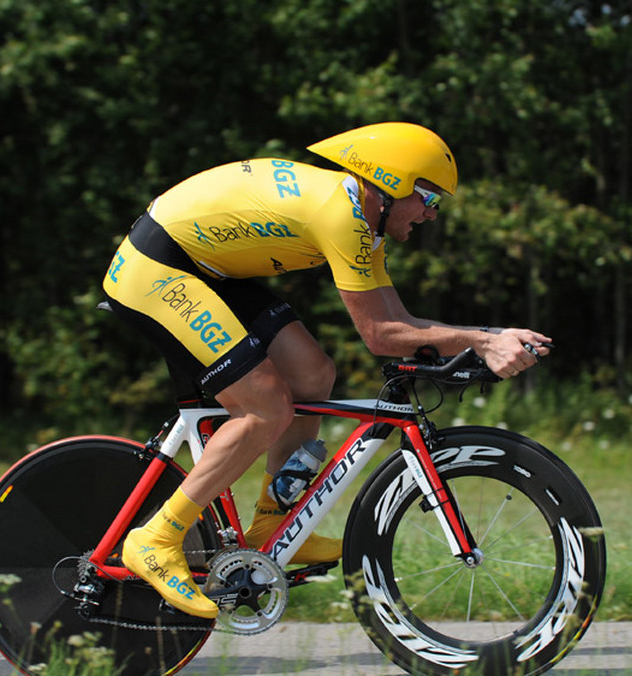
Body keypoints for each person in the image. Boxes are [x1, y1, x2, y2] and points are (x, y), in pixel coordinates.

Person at [101, 122, 552, 618]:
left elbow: (399, 322)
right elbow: (382, 336)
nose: (430, 213)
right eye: (427, 197)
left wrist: (482, 339)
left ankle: (272, 523)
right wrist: (483, 340)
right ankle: (156, 538)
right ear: (389, 185)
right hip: (157, 269)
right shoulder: (342, 215)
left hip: (208, 268)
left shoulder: (365, 220)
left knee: (313, 375)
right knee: (265, 407)